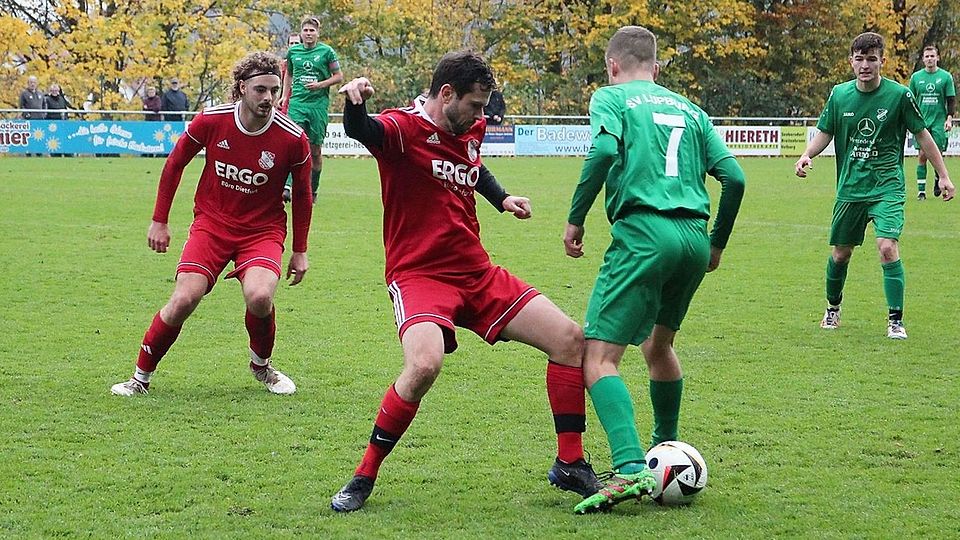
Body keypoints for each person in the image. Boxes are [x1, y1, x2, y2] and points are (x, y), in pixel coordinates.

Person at [331, 51, 600, 512]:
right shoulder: (402, 129)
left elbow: (472, 166)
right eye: (476, 106)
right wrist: (354, 103)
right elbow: (363, 130)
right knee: (423, 366)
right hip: (419, 275)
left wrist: (502, 198)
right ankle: (364, 475)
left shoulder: (468, 128)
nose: (482, 116)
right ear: (446, 94)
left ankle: (570, 462)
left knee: (570, 339)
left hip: (476, 272)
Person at [562, 26, 745, 514]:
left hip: (644, 233)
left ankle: (628, 470)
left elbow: (602, 152)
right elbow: (735, 177)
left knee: (598, 358)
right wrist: (717, 244)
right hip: (691, 238)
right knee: (659, 345)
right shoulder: (692, 110)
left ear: (612, 66)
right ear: (657, 68)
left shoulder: (612, 97)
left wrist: (576, 218)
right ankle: (667, 451)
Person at [110, 51, 314, 397]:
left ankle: (261, 367)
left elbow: (304, 196)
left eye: (274, 91)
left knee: (260, 296)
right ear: (242, 89)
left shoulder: (292, 137)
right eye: (260, 90)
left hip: (262, 231)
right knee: (184, 298)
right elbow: (174, 165)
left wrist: (300, 251)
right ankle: (140, 378)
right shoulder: (211, 120)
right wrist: (159, 221)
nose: (268, 98)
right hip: (212, 225)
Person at [795, 32, 955, 340]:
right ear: (851, 61)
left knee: (886, 247)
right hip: (851, 187)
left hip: (887, 186)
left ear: (882, 61)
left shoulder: (899, 95)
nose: (865, 65)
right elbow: (825, 132)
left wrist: (944, 175)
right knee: (841, 254)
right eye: (859, 59)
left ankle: (895, 319)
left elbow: (922, 135)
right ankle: (833, 308)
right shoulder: (839, 95)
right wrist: (806, 154)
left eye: (871, 59)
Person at [279, 15, 343, 204]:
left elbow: (339, 76)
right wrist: (284, 95)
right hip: (297, 104)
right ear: (301, 32)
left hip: (317, 107)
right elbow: (289, 74)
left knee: (315, 150)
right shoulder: (294, 53)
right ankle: (287, 187)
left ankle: (313, 189)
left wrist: (320, 84)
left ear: (317, 33)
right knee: (292, 144)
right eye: (305, 30)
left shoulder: (327, 52)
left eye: (312, 30)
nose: (308, 33)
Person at [909, 45, 955, 200]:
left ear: (937, 58)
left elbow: (951, 100)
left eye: (932, 56)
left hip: (938, 121)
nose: (929, 59)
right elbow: (911, 100)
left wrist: (949, 119)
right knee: (922, 155)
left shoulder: (946, 77)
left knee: (938, 155)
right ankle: (921, 192)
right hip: (922, 121)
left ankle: (938, 180)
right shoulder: (916, 77)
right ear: (923, 59)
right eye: (927, 56)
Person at [278, 33, 302, 115]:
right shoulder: (283, 65)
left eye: (296, 43)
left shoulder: (307, 63)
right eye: (291, 43)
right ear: (288, 45)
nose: (294, 45)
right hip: (286, 102)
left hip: (302, 101)